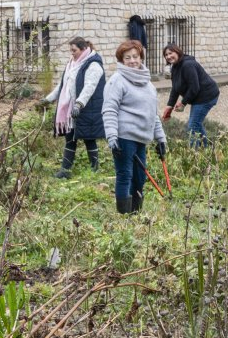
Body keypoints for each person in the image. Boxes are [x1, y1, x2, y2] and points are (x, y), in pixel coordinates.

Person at [102, 39, 166, 214]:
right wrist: (112, 137)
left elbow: (153, 114)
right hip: (124, 136)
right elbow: (109, 110)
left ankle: (135, 214)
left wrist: (161, 139)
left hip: (141, 138)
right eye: (127, 57)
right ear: (122, 60)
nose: (132, 61)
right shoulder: (117, 81)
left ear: (141, 58)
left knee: (139, 177)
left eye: (135, 57)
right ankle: (124, 217)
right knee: (125, 175)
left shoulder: (148, 83)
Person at [42, 36, 106, 178]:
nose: (72, 53)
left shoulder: (93, 65)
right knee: (70, 138)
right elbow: (63, 85)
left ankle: (94, 171)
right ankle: (65, 171)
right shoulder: (72, 63)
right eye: (71, 50)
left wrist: (79, 104)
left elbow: (90, 87)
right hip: (71, 110)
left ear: (83, 49)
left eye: (74, 50)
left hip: (87, 108)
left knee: (89, 139)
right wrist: (47, 100)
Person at [162, 43, 220, 147]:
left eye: (171, 53)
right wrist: (169, 106)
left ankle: (194, 155)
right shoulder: (175, 67)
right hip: (197, 97)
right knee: (196, 124)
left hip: (206, 97)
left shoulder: (188, 65)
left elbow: (194, 87)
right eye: (166, 55)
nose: (168, 56)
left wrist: (183, 103)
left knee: (192, 127)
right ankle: (208, 150)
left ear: (177, 52)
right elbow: (175, 88)